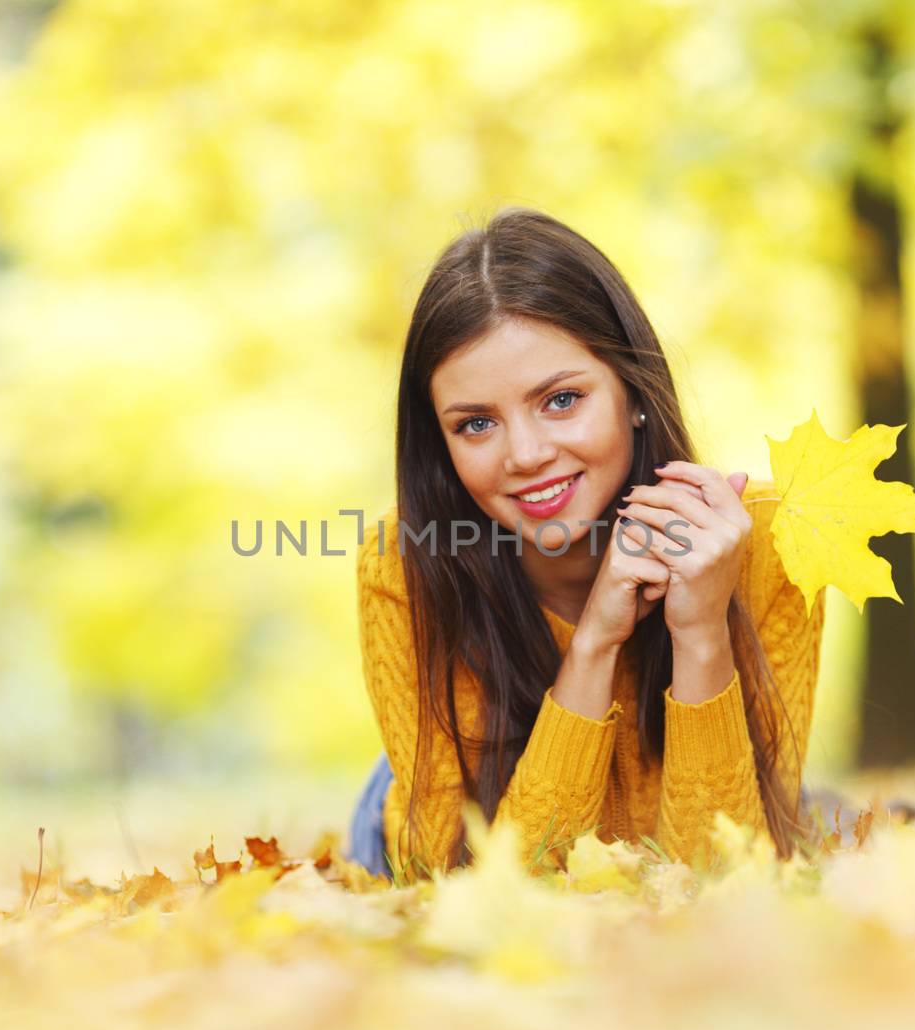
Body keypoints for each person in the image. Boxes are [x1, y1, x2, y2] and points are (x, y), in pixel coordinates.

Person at [347, 207, 827, 881]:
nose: (526, 453)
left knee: (800, 819)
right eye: (476, 423)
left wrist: (701, 633)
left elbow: (722, 880)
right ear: (441, 441)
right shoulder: (405, 562)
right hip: (448, 811)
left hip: (696, 799)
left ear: (633, 390)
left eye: (562, 400)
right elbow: (475, 893)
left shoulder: (766, 543)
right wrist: (595, 641)